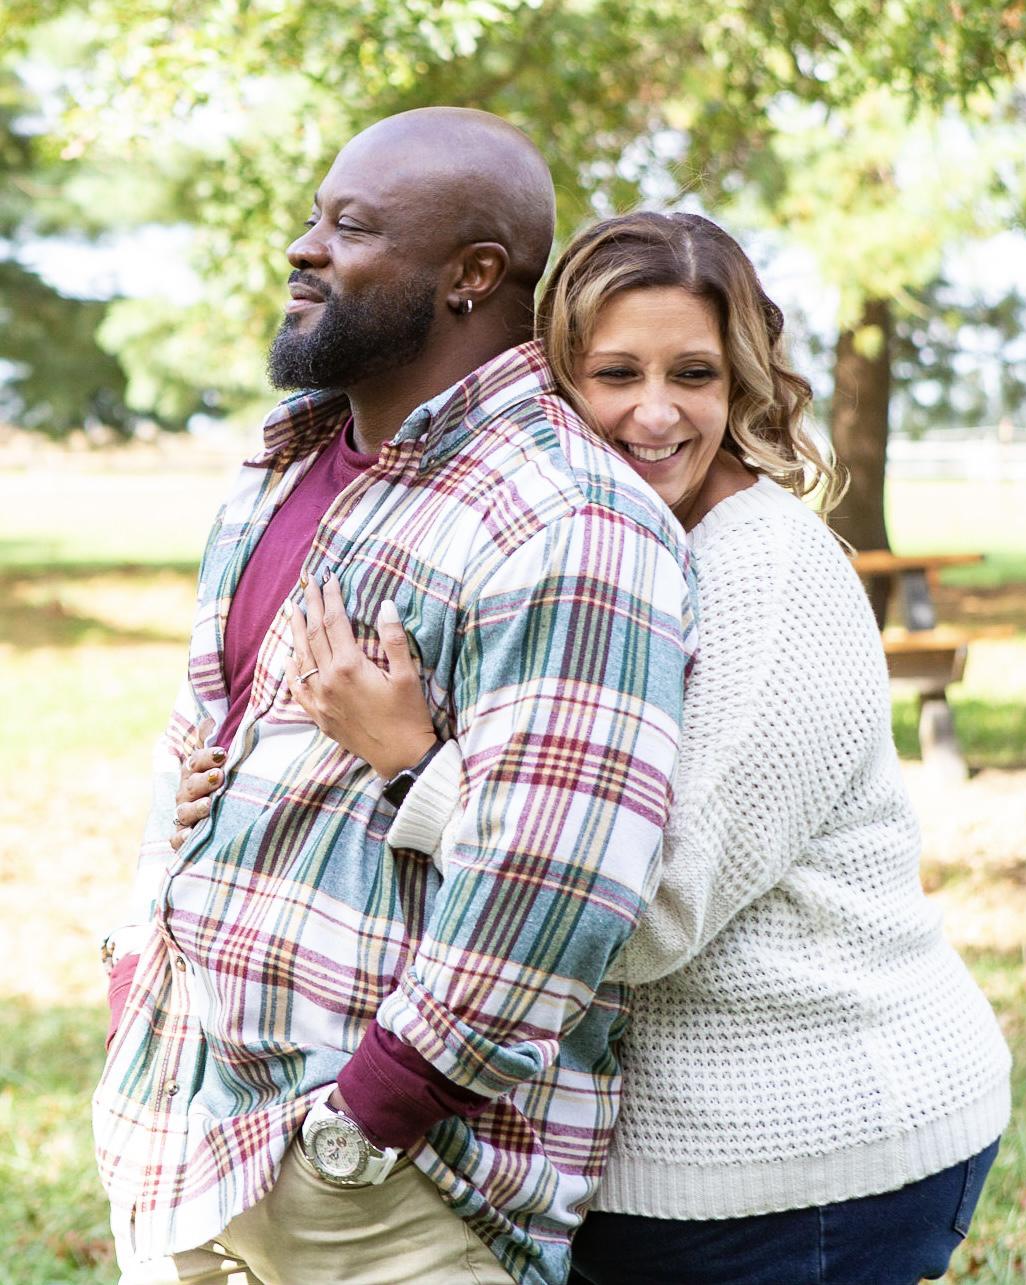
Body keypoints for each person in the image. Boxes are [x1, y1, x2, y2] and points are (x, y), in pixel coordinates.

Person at [192, 211, 1009, 1284]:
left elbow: (642, 912)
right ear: (551, 379)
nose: (655, 412)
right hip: (613, 1160)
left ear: (741, 383)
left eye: (694, 374)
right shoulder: (575, 543)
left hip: (801, 1155)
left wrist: (411, 763)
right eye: (615, 372)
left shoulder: (767, 577)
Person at [95, 117, 696, 1285]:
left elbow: (554, 878)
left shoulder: (566, 518)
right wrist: (135, 971)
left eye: (352, 227)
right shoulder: (284, 465)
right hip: (182, 1126)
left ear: (472, 273)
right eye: (314, 217)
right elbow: (196, 733)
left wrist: (370, 1115)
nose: (304, 248)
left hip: (388, 1191)